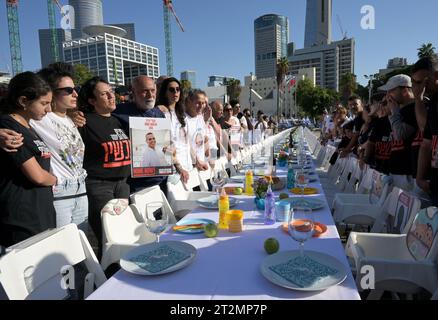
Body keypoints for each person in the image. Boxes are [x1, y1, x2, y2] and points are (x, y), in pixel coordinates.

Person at [0, 72, 57, 247]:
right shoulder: (9, 127)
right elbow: (37, 176)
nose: (48, 109)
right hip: (22, 217)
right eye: (44, 103)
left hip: (40, 212)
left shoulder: (29, 126)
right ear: (24, 101)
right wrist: (55, 179)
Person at [78, 77, 131, 259]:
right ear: (92, 101)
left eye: (111, 92)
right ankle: (106, 280)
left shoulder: (117, 121)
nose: (111, 96)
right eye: (104, 94)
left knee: (124, 234)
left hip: (122, 185)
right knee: (109, 238)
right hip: (99, 186)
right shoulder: (83, 121)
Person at [31, 62, 88, 229]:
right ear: (51, 93)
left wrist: (72, 114)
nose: (75, 94)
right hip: (60, 194)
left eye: (75, 88)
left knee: (80, 247)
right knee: (62, 248)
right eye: (68, 90)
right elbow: (12, 117)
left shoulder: (71, 119)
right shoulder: (40, 118)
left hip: (81, 190)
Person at [379, 74, 417, 190]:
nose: (387, 96)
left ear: (405, 90)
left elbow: (400, 135)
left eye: (391, 91)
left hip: (407, 174)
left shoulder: (414, 109)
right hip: (396, 171)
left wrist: (394, 113)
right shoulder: (400, 110)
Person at [156, 77, 191, 183]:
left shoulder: (181, 114)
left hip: (187, 167)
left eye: (178, 89)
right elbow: (165, 144)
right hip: (174, 170)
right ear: (165, 92)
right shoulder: (161, 112)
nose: (175, 92)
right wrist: (179, 167)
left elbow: (187, 143)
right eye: (171, 89)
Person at [413, 56, 438, 206]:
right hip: (434, 185)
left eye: (421, 81)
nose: (417, 86)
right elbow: (426, 141)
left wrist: (417, 99)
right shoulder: (433, 102)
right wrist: (420, 177)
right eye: (415, 82)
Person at [184, 90, 209, 171]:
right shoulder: (183, 120)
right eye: (198, 103)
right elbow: (186, 144)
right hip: (190, 167)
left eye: (203, 103)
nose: (201, 106)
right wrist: (197, 161)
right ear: (189, 102)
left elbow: (204, 139)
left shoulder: (200, 118)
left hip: (201, 165)